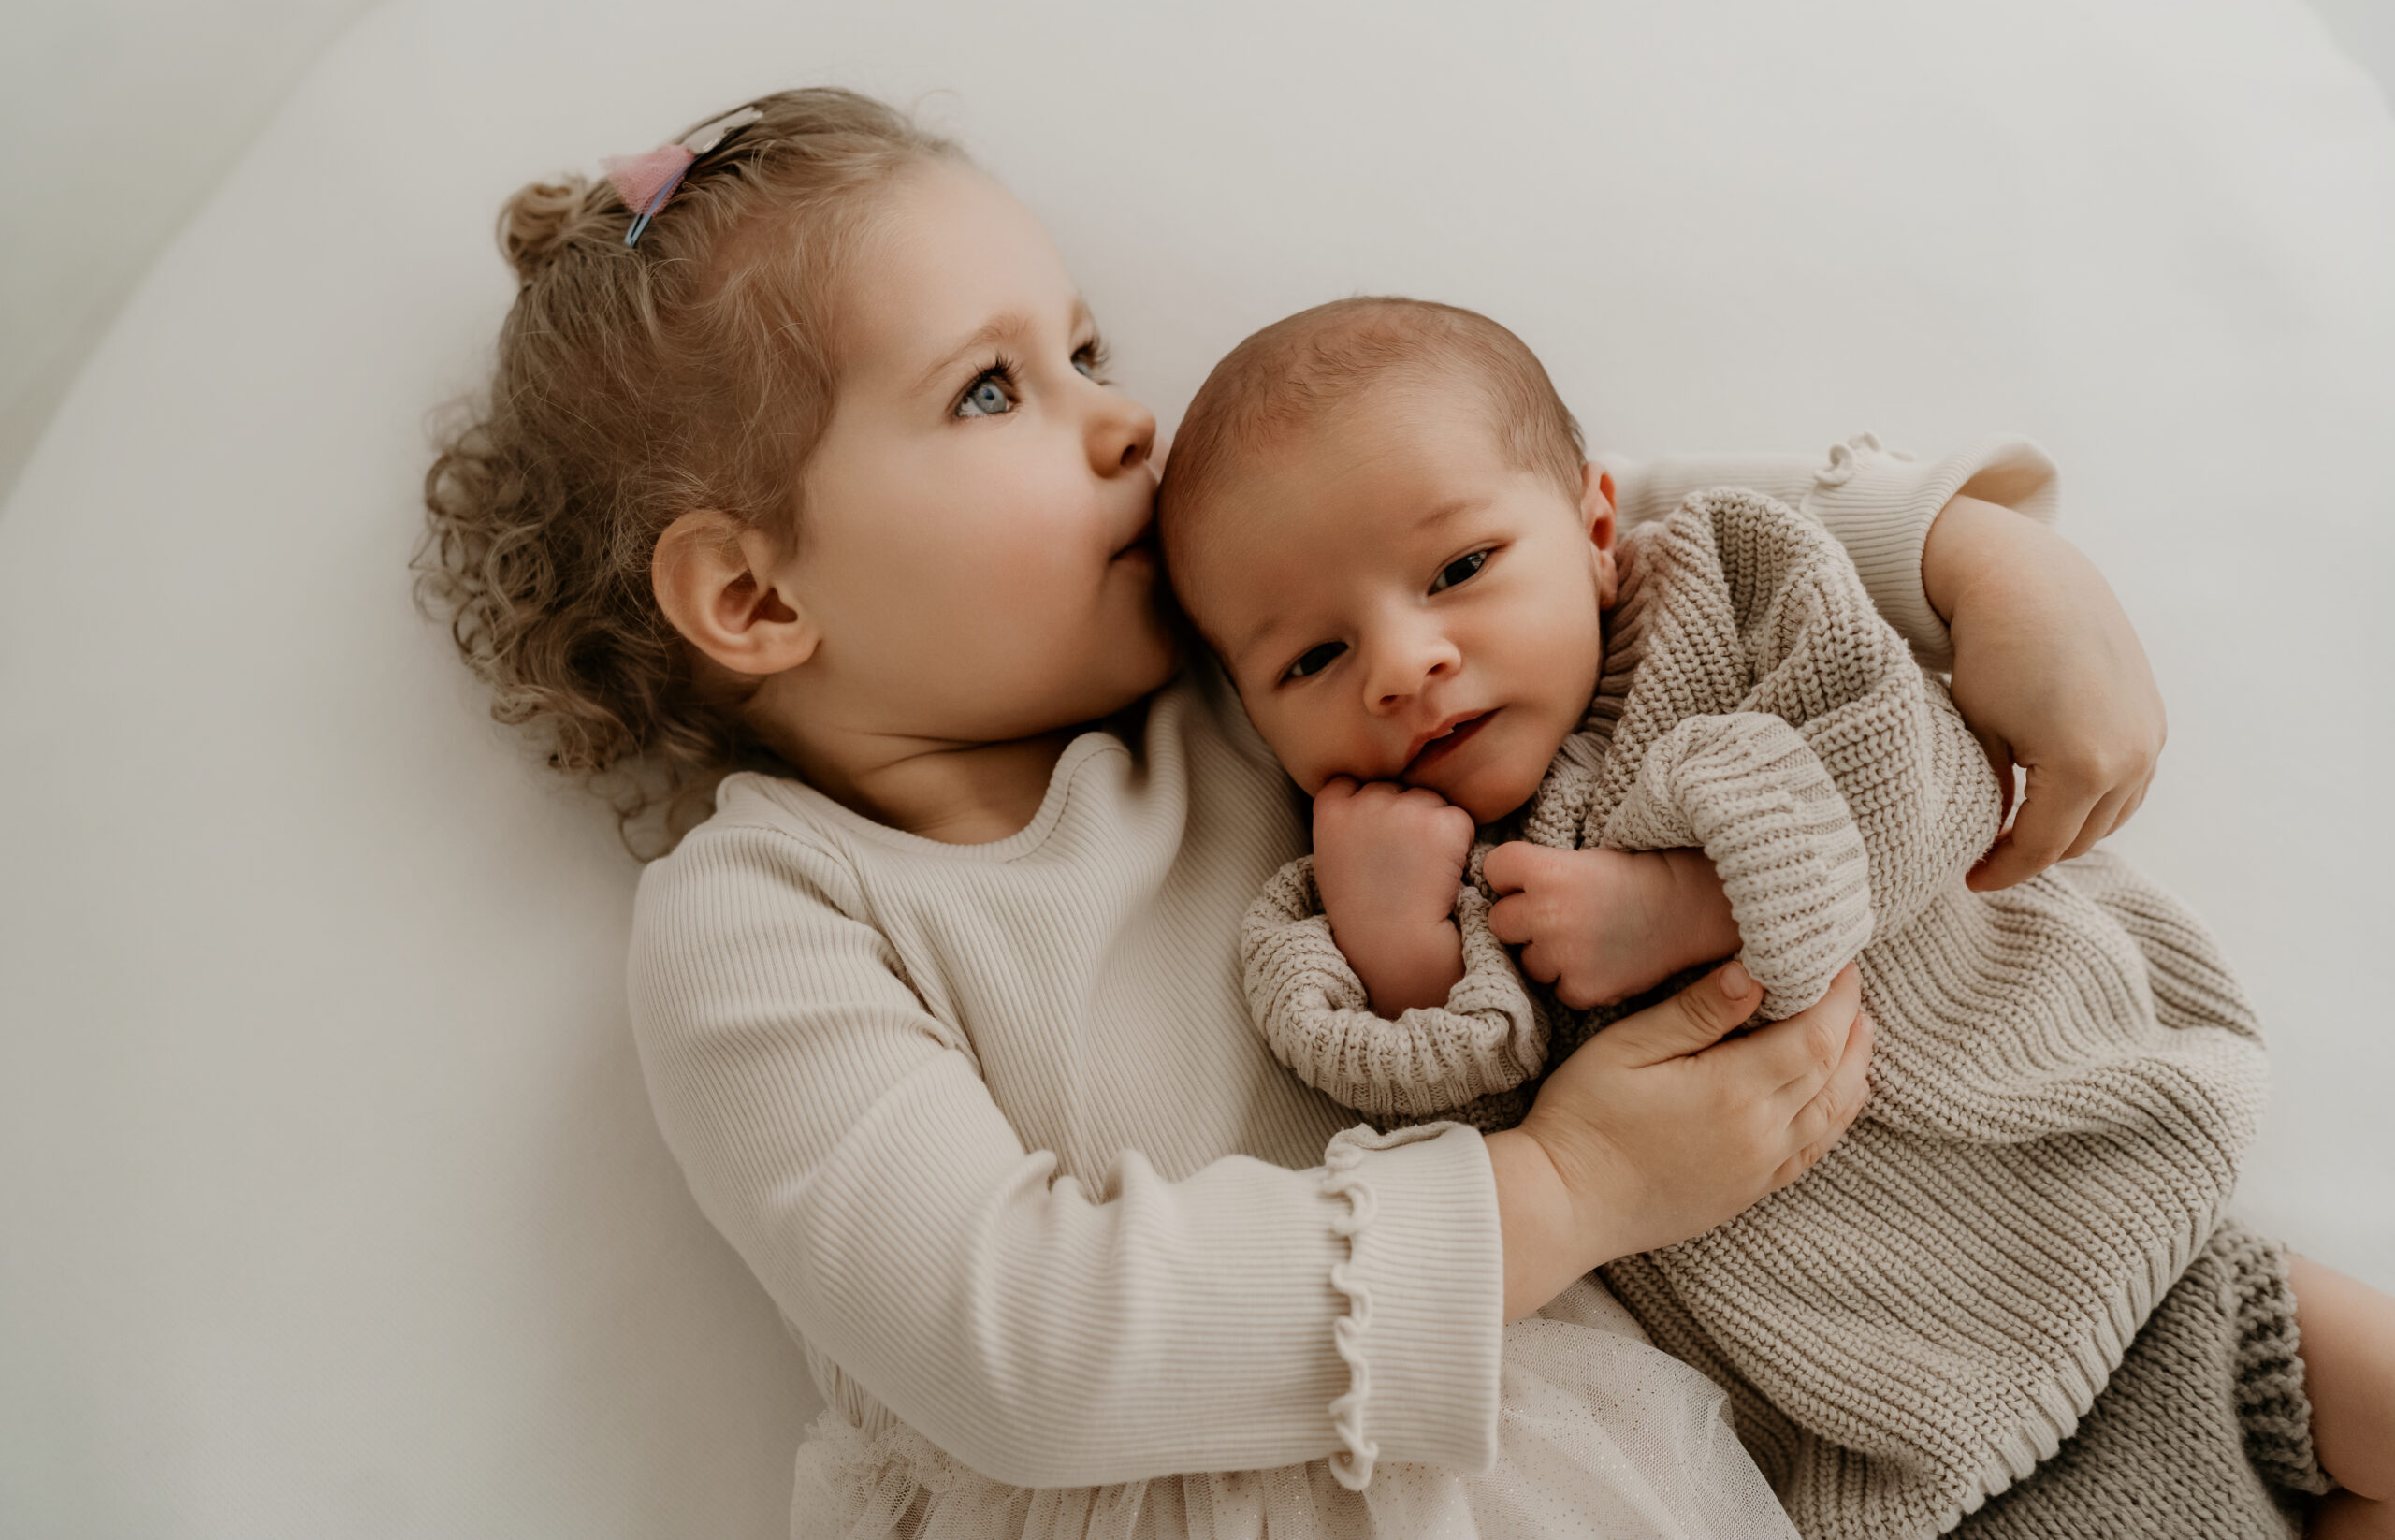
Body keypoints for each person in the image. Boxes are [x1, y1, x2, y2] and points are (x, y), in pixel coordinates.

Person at [417, 90, 2205, 1538]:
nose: (1127, 423)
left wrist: (1974, 562)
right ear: (751, 599)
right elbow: (1016, 1344)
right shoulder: (768, 913)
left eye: (1090, 347)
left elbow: (1554, 518)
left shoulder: (1265, 672)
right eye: (992, 388)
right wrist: (1563, 1189)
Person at [1157, 295, 2395, 1540]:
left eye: (1461, 569)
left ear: (1597, 529)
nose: (1402, 660)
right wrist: (1404, 958)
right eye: (1311, 659)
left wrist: (1699, 901)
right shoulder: (1355, 893)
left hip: (2135, 1228)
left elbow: (1941, 771)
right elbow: (1470, 1186)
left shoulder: (1735, 597)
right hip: (1922, 1446)